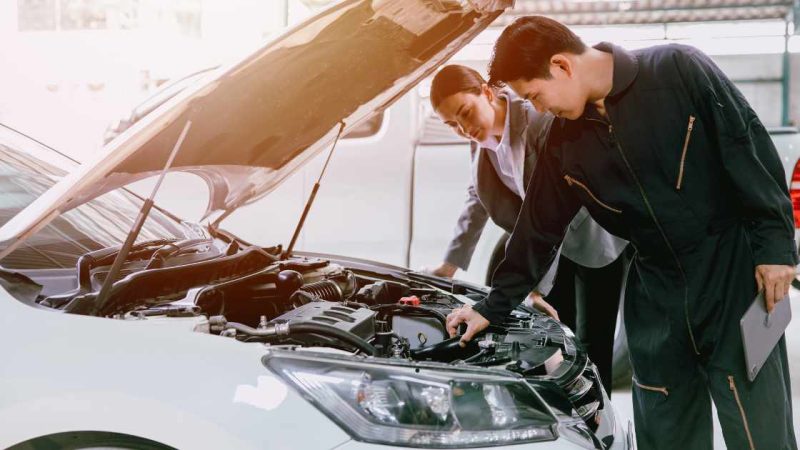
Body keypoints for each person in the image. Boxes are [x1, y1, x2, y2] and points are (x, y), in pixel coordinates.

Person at [445, 16, 797, 450]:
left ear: (562, 65)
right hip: (654, 291)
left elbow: (748, 148)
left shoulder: (678, 70)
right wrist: (493, 307)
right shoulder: (562, 141)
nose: (536, 109)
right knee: (665, 428)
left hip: (733, 277)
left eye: (534, 95)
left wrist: (776, 246)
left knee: (759, 425)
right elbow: (537, 228)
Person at [428, 64, 627, 393]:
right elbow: (477, 197)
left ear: (487, 93)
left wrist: (531, 287)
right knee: (554, 336)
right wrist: (450, 264)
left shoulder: (538, 122)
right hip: (544, 248)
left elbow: (554, 213)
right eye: (452, 124)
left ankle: (596, 420)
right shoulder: (478, 136)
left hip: (592, 238)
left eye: (465, 113)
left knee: (593, 344)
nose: (463, 128)